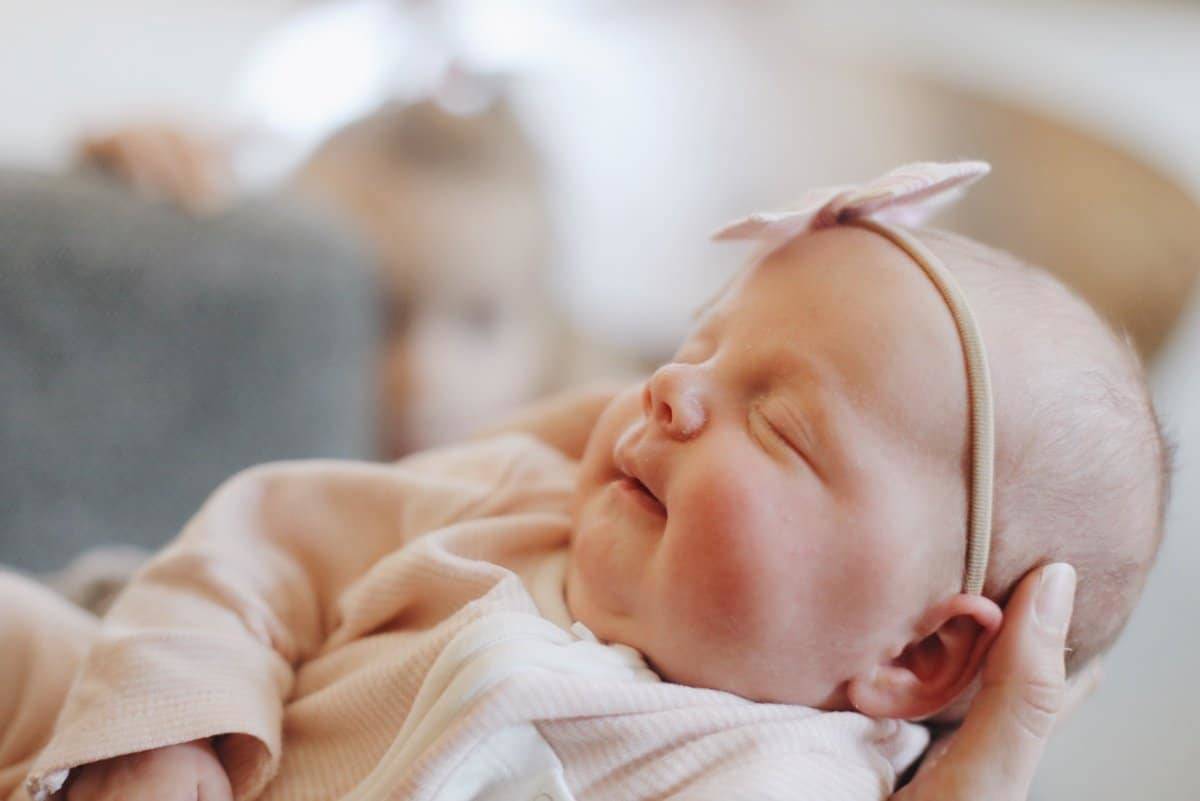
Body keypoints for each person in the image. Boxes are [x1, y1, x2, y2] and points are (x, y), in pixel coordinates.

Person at [3, 163, 1165, 801]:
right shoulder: (531, 495)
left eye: (782, 425)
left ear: (916, 658)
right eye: (694, 348)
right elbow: (259, 546)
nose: (671, 394)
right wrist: (168, 731)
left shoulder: (767, 777)